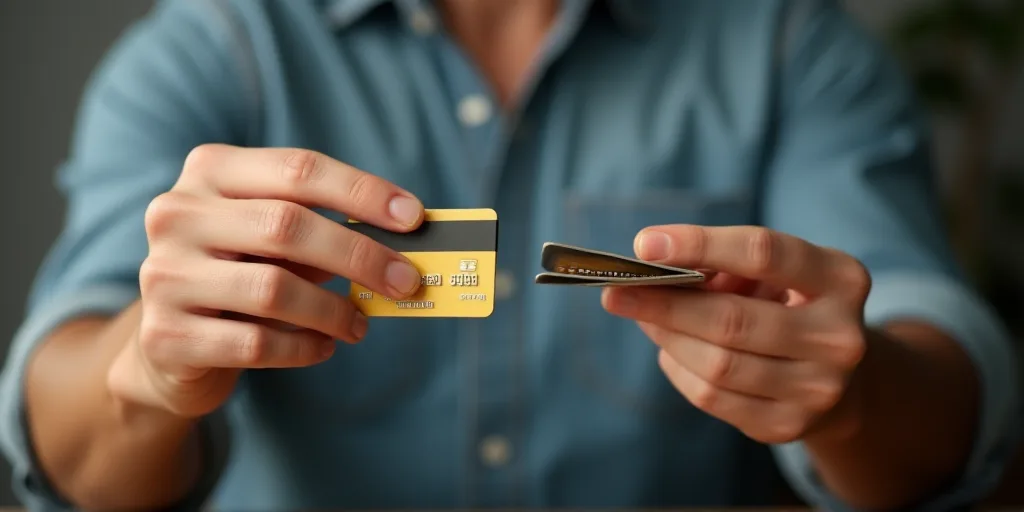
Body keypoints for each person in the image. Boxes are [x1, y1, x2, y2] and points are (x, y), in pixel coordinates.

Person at [1, 0, 1020, 510]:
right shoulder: (211, 50)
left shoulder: (791, 47)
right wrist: (143, 369)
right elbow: (59, 410)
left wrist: (851, 391)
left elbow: (944, 374)